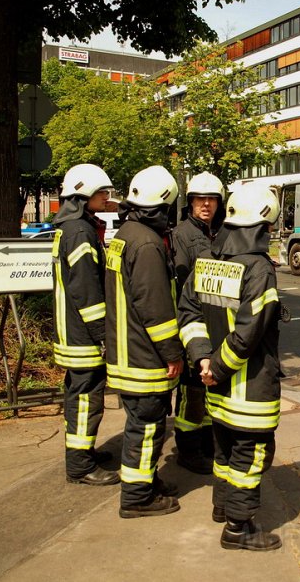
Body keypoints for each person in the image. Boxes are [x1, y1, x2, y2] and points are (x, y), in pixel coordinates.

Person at [178, 184, 283, 551]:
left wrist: (203, 358)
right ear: (263, 225)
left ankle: (222, 508)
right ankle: (239, 529)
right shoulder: (259, 269)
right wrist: (218, 367)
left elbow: (188, 312)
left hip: (215, 389)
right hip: (248, 391)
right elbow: (248, 334)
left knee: (223, 450)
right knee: (250, 455)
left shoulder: (208, 261)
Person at [105, 165, 183, 519]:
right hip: (144, 357)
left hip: (125, 348)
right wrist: (172, 351)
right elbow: (155, 307)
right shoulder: (148, 244)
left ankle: (145, 481)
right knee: (147, 425)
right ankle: (137, 497)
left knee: (142, 422)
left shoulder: (125, 234)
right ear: (166, 204)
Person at [52, 164, 120, 487]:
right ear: (84, 196)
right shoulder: (79, 231)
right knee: (85, 397)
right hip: (82, 336)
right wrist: (102, 335)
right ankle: (79, 464)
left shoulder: (71, 227)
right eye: (102, 193)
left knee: (79, 393)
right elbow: (86, 290)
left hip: (72, 332)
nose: (107, 198)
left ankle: (84, 451)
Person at [171, 171, 225, 474]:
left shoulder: (220, 233)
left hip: (216, 325)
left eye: (211, 199)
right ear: (190, 202)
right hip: (192, 323)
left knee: (208, 390)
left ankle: (206, 445)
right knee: (192, 392)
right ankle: (188, 451)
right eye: (199, 199)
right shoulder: (182, 235)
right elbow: (182, 287)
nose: (206, 204)